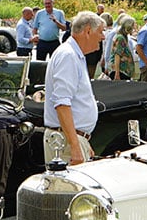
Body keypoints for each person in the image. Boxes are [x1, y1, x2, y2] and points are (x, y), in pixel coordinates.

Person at [43, 11, 105, 165]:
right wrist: (75, 145)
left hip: (69, 140)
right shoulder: (68, 56)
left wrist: (81, 140)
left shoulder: (74, 54)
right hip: (65, 143)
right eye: (101, 32)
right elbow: (62, 103)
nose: (103, 37)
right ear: (88, 31)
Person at [106, 15, 144, 81]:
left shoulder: (125, 37)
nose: (134, 29)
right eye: (133, 27)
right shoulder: (120, 38)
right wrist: (117, 73)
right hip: (120, 72)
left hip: (125, 72)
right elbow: (117, 55)